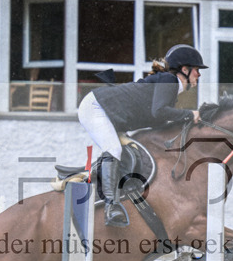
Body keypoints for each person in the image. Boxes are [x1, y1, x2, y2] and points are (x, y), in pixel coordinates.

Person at [78, 44, 207, 226]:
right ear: (184, 69)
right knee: (114, 149)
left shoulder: (168, 85)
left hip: (109, 111)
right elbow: (160, 112)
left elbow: (159, 118)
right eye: (196, 70)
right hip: (96, 107)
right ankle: (111, 207)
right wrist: (189, 114)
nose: (199, 75)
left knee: (131, 152)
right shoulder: (169, 80)